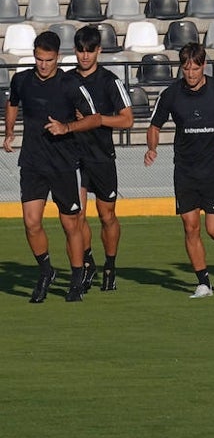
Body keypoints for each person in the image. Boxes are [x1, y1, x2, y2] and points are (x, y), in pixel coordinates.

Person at [5, 30, 103, 303]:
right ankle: (46, 271)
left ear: (58, 57)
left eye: (48, 60)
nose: (43, 65)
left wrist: (67, 127)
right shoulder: (22, 80)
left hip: (64, 164)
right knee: (31, 222)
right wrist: (10, 132)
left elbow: (94, 119)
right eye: (38, 59)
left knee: (70, 224)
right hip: (33, 162)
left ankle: (75, 279)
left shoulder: (70, 84)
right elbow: (12, 103)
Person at [145, 43, 214, 298]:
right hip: (185, 171)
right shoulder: (170, 94)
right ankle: (204, 283)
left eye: (195, 68)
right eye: (186, 68)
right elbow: (154, 126)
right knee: (190, 226)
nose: (190, 74)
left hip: (213, 170)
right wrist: (152, 148)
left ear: (204, 65)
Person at [70, 24, 134, 292]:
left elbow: (128, 120)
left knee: (106, 216)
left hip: (102, 156)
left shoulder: (110, 81)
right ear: (75, 51)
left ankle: (110, 265)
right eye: (81, 51)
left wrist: (96, 121)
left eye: (90, 51)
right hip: (74, 157)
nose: (85, 56)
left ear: (99, 50)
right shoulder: (66, 80)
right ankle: (87, 263)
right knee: (77, 216)